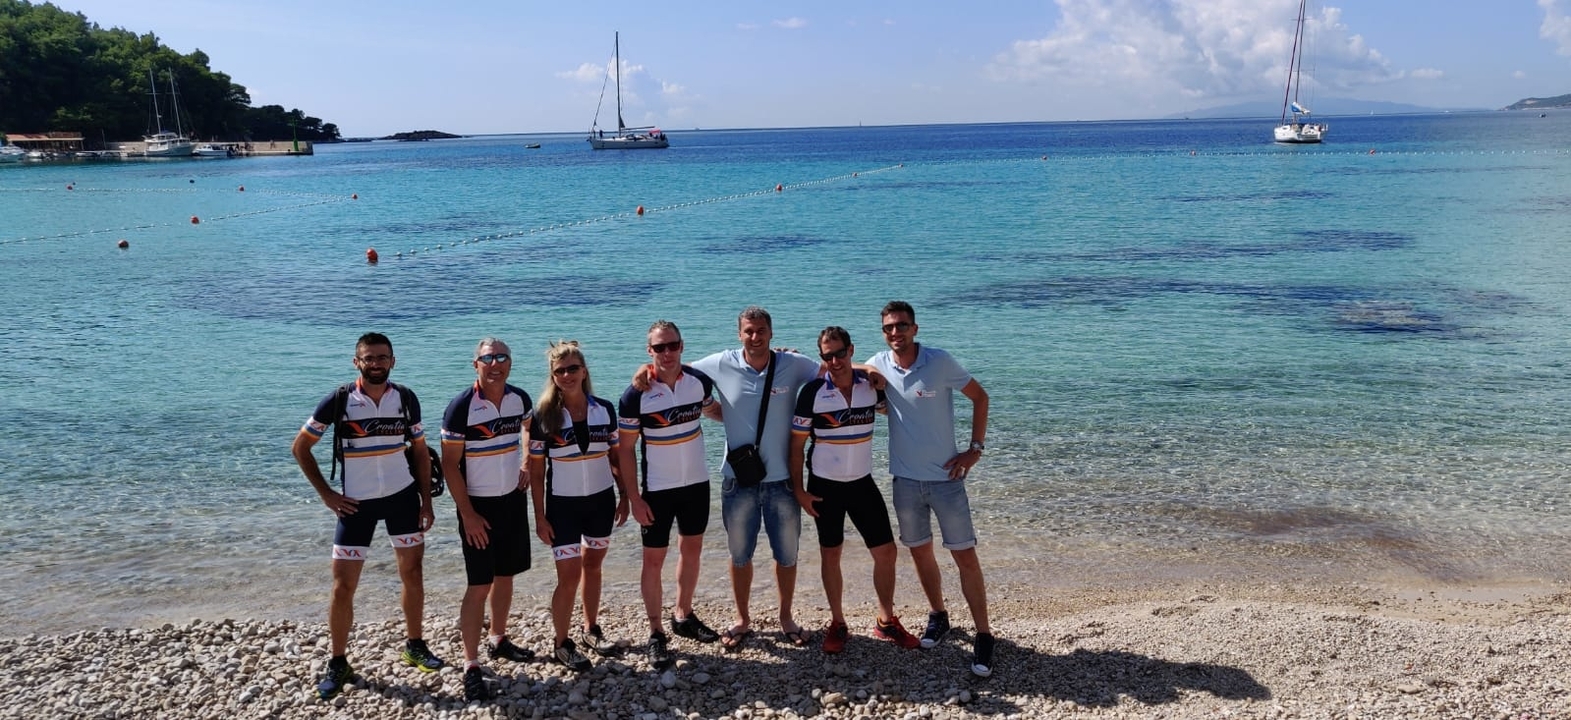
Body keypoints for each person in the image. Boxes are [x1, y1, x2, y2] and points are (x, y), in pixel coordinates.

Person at [291, 332, 444, 701]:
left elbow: (421, 453)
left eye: (382, 357)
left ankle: (415, 645)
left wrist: (427, 501)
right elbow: (300, 448)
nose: (376, 363)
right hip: (355, 505)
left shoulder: (405, 398)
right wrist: (327, 495)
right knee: (343, 585)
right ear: (356, 361)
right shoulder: (340, 400)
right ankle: (338, 661)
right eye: (368, 358)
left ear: (393, 361)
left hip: (402, 498)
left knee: (412, 573)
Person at [866, 301, 996, 677]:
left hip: (947, 480)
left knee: (965, 558)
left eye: (901, 326)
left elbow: (981, 397)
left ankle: (984, 635)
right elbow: (844, 366)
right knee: (921, 554)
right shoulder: (881, 363)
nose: (895, 333)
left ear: (915, 328)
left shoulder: (939, 362)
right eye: (889, 327)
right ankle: (939, 615)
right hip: (905, 482)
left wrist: (975, 450)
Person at [687, 307, 821, 648]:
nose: (755, 337)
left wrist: (876, 377)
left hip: (783, 482)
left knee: (786, 556)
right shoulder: (721, 362)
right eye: (748, 331)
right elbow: (678, 372)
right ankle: (743, 619)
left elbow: (836, 370)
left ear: (772, 333)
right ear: (739, 334)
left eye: (761, 330)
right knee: (739, 555)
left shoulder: (793, 364)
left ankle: (786, 617)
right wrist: (709, 408)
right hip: (738, 480)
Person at [790, 327, 921, 654]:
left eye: (840, 353)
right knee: (831, 554)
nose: (834, 361)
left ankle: (886, 621)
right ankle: (838, 621)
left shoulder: (870, 389)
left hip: (862, 483)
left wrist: (873, 373)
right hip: (824, 486)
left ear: (851, 350)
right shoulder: (812, 393)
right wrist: (799, 492)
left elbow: (900, 404)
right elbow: (794, 448)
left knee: (886, 552)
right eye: (827, 356)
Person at [528, 341, 644, 672]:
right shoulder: (543, 416)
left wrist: (624, 494)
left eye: (573, 368)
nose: (567, 374)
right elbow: (537, 473)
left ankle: (591, 629)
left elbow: (615, 456)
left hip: (600, 501)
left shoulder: (604, 409)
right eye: (560, 370)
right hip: (562, 506)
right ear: (553, 375)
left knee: (593, 566)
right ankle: (561, 643)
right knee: (568, 576)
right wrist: (538, 516)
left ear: (584, 371)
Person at [616, 321, 721, 668]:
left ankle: (683, 615)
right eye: (659, 348)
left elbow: (713, 410)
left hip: (696, 484)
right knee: (653, 561)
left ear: (681, 346)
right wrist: (634, 497)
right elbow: (626, 451)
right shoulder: (636, 394)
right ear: (650, 352)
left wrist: (756, 420)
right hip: (657, 491)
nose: (666, 353)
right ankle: (656, 632)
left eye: (672, 346)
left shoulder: (698, 381)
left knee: (691, 551)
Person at [440, 338, 535, 702]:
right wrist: (468, 515)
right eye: (488, 358)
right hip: (477, 507)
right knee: (479, 584)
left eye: (502, 357)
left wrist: (527, 461)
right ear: (475, 364)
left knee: (506, 576)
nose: (495, 363)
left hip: (511, 501)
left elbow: (529, 427)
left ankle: (498, 638)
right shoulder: (461, 408)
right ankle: (471, 663)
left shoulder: (519, 399)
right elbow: (449, 465)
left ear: (510, 363)